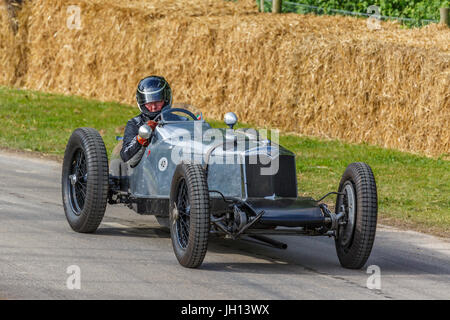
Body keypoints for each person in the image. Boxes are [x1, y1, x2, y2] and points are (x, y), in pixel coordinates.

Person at [120, 76, 172, 163]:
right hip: (148, 168)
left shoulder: (181, 120)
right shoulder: (135, 123)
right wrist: (141, 137)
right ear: (142, 102)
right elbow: (125, 156)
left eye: (158, 101)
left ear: (166, 99)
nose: (154, 107)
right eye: (149, 102)